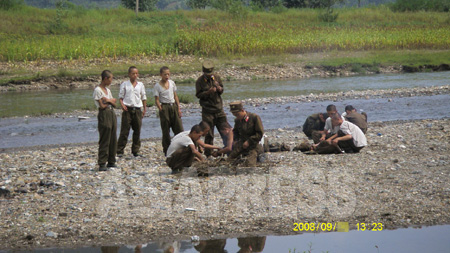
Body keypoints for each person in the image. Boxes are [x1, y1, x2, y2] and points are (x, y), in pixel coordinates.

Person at [195, 61, 229, 156]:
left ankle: (228, 149)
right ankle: (208, 154)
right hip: (207, 111)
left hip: (219, 109)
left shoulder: (217, 77)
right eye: (207, 74)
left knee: (225, 130)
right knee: (209, 133)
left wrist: (219, 89)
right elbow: (198, 95)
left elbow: (222, 89)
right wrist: (208, 92)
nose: (210, 75)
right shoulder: (200, 81)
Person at [117, 66, 147, 157]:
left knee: (137, 130)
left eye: (136, 73)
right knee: (125, 131)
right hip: (127, 109)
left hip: (137, 109)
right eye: (133, 73)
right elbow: (121, 97)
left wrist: (144, 108)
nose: (135, 75)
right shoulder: (125, 84)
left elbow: (143, 97)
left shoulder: (140, 85)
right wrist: (122, 105)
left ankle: (135, 150)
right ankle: (119, 150)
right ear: (129, 74)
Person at [154, 66, 184, 155]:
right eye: (165, 74)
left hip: (173, 106)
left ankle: (180, 147)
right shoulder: (157, 86)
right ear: (161, 75)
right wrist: (160, 109)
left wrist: (178, 108)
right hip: (165, 106)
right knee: (166, 130)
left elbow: (175, 96)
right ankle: (167, 150)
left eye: (168, 74)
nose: (167, 76)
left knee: (179, 128)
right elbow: (156, 99)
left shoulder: (172, 83)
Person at [93, 70, 117, 171]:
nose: (111, 81)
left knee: (113, 137)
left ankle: (111, 161)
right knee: (105, 138)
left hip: (111, 113)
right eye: (111, 78)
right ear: (105, 78)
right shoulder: (98, 90)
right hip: (104, 114)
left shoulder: (108, 90)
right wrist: (109, 101)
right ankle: (102, 162)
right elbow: (102, 105)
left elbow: (114, 103)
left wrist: (108, 100)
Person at [228, 102, 264, 167]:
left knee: (249, 164)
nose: (236, 116)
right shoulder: (237, 120)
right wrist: (235, 140)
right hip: (242, 144)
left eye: (237, 114)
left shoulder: (254, 118)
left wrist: (249, 141)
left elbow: (259, 133)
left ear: (242, 110)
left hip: (254, 145)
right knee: (230, 160)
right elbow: (235, 131)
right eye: (234, 114)